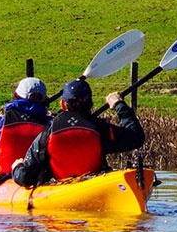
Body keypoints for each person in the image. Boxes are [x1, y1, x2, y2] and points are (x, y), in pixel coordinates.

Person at [11, 76, 144, 187]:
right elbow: (136, 137)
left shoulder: (48, 133)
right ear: (91, 104)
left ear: (63, 104)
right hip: (94, 185)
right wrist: (119, 105)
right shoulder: (101, 129)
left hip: (59, 189)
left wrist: (17, 167)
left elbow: (25, 178)